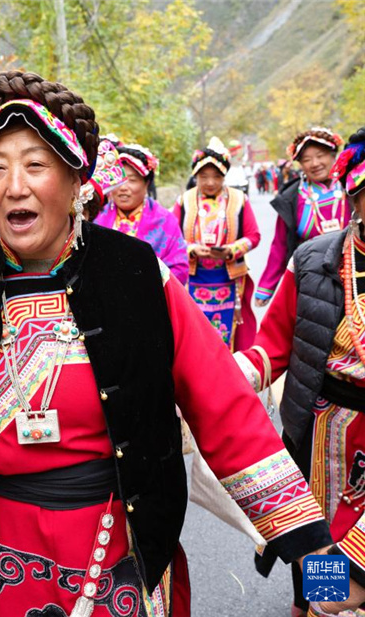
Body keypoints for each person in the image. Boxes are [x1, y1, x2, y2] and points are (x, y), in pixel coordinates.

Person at [0, 70, 332, 617]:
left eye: (35, 165)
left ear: (76, 180)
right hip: (2, 547)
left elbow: (225, 409)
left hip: (119, 540)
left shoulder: (136, 273)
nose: (14, 186)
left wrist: (312, 549)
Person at [234, 128, 365, 617]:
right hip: (328, 429)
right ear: (354, 198)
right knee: (323, 539)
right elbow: (272, 348)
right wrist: (221, 380)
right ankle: (313, 605)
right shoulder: (312, 262)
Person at [173, 137, 260, 351]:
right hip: (193, 277)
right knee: (195, 331)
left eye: (217, 176)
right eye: (204, 176)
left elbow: (253, 236)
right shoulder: (184, 200)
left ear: (224, 176)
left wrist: (230, 250)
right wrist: (192, 249)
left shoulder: (239, 199)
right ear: (195, 176)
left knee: (227, 332)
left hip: (229, 278)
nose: (210, 182)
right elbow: (172, 239)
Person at [255, 127, 347, 306]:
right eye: (306, 159)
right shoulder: (291, 199)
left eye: (320, 155)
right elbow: (280, 246)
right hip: (310, 285)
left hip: (354, 277)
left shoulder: (352, 189)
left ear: (333, 156)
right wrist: (266, 287)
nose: (315, 163)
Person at [93, 141, 189, 284]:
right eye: (119, 180)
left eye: (132, 180)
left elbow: (179, 269)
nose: (123, 187)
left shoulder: (165, 221)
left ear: (147, 183)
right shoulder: (96, 217)